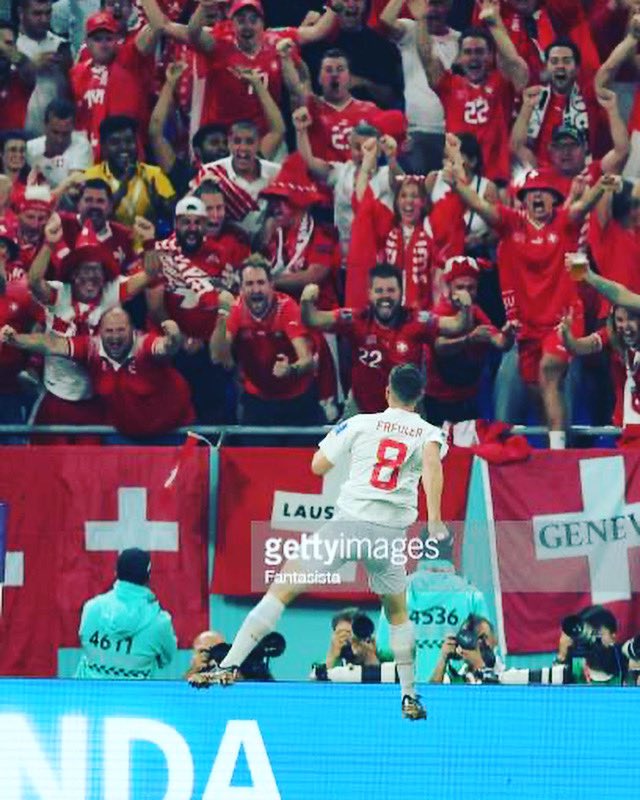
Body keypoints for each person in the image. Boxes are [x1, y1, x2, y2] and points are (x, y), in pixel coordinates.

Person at [204, 363, 450, 721]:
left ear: (386, 392)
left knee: (282, 590)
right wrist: (435, 518)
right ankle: (409, 694)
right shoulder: (430, 433)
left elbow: (318, 466)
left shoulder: (361, 422)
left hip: (347, 526)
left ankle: (228, 665)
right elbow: (432, 466)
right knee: (397, 613)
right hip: (387, 536)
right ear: (420, 396)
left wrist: (344, 452)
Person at [301, 263, 472, 415]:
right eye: (379, 291)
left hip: (408, 412)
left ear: (401, 292)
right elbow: (313, 320)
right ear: (369, 293)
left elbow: (458, 325)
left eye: (391, 290)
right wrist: (306, 302)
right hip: (362, 411)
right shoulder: (355, 319)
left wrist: (466, 307)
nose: (385, 296)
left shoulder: (417, 320)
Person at [1, 307, 194, 439]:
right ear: (99, 332)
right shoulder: (91, 348)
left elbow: (166, 347)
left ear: (132, 331)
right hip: (125, 437)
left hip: (172, 434)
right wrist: (16, 339)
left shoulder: (145, 344)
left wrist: (174, 337)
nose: (115, 337)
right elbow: (52, 344)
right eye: (109, 331)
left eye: (121, 330)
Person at [416, 0, 529, 185]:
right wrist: (421, 19)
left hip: (496, 178)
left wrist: (495, 23)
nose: (474, 57)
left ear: (491, 56)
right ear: (459, 58)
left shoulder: (501, 85)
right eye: (468, 52)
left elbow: (517, 66)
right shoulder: (449, 85)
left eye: (480, 52)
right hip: (458, 177)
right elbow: (427, 56)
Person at [210, 254, 322, 426]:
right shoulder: (236, 310)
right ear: (240, 288)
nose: (256, 290)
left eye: (261, 283)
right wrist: (222, 314)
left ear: (271, 285)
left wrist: (290, 370)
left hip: (297, 399)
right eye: (249, 284)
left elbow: (307, 360)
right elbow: (217, 356)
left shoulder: (287, 307)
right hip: (258, 399)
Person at [376, 536, 491, 682]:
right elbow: (487, 648)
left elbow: (384, 648)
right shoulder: (471, 594)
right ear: (451, 551)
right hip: (456, 689)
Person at [424, 255, 516, 425]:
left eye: (470, 287)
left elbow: (500, 342)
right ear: (449, 287)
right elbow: (440, 347)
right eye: (460, 287)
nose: (465, 293)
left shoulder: (478, 313)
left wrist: (509, 336)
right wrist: (469, 340)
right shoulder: (439, 312)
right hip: (439, 401)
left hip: (469, 399)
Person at [379, 0, 460, 174]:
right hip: (417, 129)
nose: (432, 11)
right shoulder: (411, 30)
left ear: (449, 6)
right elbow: (386, 20)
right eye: (428, 4)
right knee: (417, 189)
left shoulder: (461, 40)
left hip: (452, 132)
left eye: (438, 4)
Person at [74, 547, 177, 679]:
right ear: (148, 577)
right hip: (135, 697)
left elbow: (84, 641)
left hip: (87, 696)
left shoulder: (91, 608)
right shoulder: (160, 622)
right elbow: (167, 658)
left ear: (116, 572)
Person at [84, 114, 175, 227]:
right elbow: (90, 219)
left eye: (129, 141)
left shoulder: (153, 174)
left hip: (146, 242)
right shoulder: (92, 176)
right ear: (103, 147)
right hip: (106, 242)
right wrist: (122, 188)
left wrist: (159, 205)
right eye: (115, 143)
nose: (124, 147)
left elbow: (175, 213)